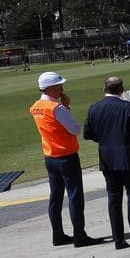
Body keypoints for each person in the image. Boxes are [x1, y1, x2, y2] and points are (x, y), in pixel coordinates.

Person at [29, 72, 97, 247]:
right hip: (66, 156)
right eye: (59, 86)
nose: (62, 89)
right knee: (75, 196)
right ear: (50, 88)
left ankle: (58, 235)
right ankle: (79, 236)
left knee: (56, 197)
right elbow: (75, 129)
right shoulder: (56, 108)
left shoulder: (36, 107)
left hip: (50, 156)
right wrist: (66, 107)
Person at [83, 77, 130, 249]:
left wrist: (104, 140)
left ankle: (118, 239)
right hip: (128, 157)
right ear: (122, 90)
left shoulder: (94, 108)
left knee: (114, 198)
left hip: (107, 158)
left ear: (104, 89)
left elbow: (87, 133)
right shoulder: (128, 107)